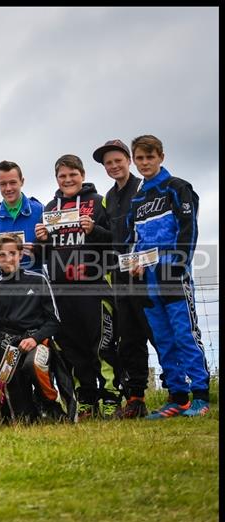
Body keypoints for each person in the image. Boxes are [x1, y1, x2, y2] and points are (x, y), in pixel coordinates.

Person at [125, 135, 210, 419]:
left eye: (150, 157)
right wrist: (132, 263)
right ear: (134, 161)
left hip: (172, 274)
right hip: (146, 280)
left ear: (161, 157)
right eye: (140, 158)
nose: (145, 163)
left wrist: (179, 265)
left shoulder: (178, 188)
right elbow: (131, 240)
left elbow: (189, 230)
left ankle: (200, 395)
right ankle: (177, 397)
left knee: (185, 333)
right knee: (163, 339)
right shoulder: (137, 199)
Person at [33, 154, 116, 419]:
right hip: (62, 291)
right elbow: (44, 256)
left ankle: (112, 397)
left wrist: (94, 230)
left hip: (93, 287)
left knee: (102, 345)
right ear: (57, 178)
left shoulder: (98, 201)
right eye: (62, 176)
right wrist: (42, 241)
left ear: (82, 175)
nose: (68, 180)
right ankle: (86, 400)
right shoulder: (50, 207)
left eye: (73, 175)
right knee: (73, 348)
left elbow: (114, 241)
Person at [93, 139, 154, 418]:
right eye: (108, 163)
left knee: (158, 334)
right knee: (129, 339)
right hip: (119, 275)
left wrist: (144, 258)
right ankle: (136, 398)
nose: (114, 166)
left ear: (129, 160)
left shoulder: (144, 187)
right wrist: (93, 228)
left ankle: (185, 396)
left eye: (118, 160)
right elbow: (111, 239)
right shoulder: (108, 197)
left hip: (147, 273)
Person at [0, 234, 73, 423]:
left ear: (21, 254)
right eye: (2, 255)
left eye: (12, 254)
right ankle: (31, 409)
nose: (7, 259)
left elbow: (54, 321)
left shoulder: (39, 280)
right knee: (23, 419)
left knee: (33, 363)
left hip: (38, 343)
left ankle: (51, 404)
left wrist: (35, 338)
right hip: (9, 349)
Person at [0, 161, 44, 273]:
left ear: (22, 182)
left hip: (36, 284)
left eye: (13, 182)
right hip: (5, 286)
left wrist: (38, 250)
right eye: (3, 184)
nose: (8, 188)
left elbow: (53, 251)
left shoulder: (41, 211)